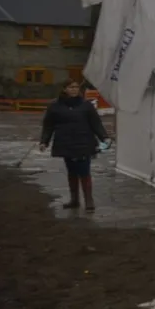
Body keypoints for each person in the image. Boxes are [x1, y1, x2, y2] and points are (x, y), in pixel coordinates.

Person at [39, 79, 110, 213]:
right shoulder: (55, 106)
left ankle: (89, 200)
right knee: (72, 171)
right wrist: (44, 141)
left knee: (84, 170)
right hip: (65, 142)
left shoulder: (86, 105)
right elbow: (48, 125)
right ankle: (74, 199)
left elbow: (96, 123)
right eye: (71, 87)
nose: (74, 90)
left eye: (76, 87)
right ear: (64, 89)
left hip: (84, 141)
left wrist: (104, 137)